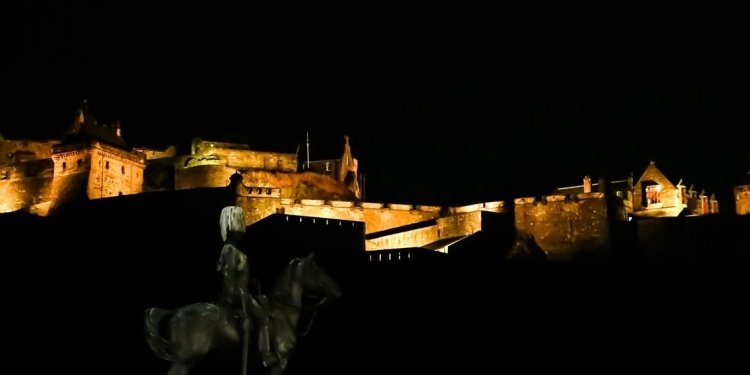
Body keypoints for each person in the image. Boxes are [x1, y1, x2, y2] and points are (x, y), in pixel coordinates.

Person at [216, 206, 278, 368]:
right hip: (239, 294)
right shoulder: (229, 250)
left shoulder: (234, 250)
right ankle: (266, 355)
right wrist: (238, 302)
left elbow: (240, 274)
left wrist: (252, 281)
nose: (242, 233)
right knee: (263, 318)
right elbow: (229, 278)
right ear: (233, 229)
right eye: (239, 230)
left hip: (244, 291)